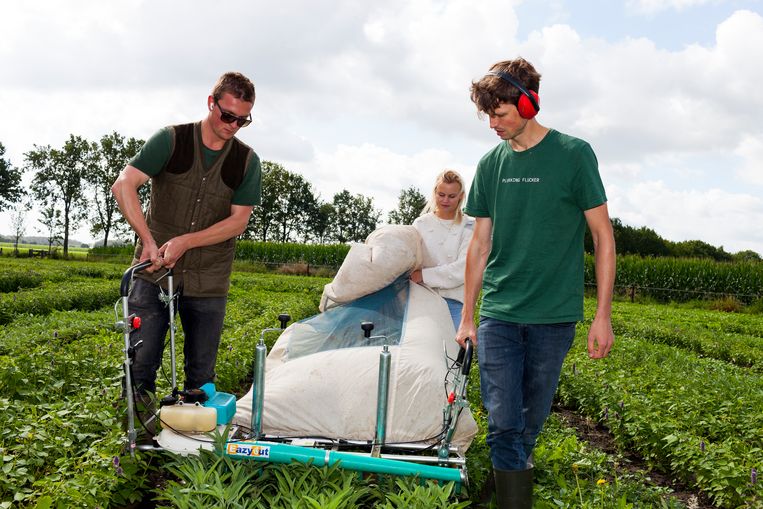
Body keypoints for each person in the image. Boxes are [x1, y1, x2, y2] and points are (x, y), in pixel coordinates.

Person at [456, 58, 615, 508]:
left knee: (529, 423)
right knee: (504, 422)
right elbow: (479, 245)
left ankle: (504, 482)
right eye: (488, 115)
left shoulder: (573, 154)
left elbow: (603, 237)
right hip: (500, 314)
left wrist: (602, 316)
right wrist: (468, 316)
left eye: (501, 113)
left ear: (529, 102)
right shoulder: (489, 164)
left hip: (554, 317)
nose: (493, 123)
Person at [111, 72, 262, 432]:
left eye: (243, 120)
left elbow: (238, 222)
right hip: (153, 273)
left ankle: (191, 450)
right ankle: (137, 444)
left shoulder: (246, 161)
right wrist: (148, 241)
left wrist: (187, 241)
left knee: (200, 376)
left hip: (208, 280)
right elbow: (124, 185)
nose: (233, 126)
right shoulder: (172, 140)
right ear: (211, 103)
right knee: (141, 364)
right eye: (228, 116)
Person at [410, 169, 474, 330]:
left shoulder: (469, 226)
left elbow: (463, 269)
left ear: (461, 196)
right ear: (434, 193)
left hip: (454, 303)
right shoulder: (420, 224)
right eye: (441, 194)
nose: (445, 200)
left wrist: (423, 275)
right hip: (421, 302)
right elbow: (410, 261)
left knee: (453, 353)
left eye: (452, 196)